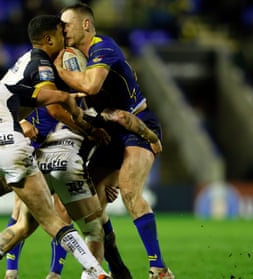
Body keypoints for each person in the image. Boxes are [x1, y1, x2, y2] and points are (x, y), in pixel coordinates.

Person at [0, 59, 111, 279]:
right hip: (14, 148)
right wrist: (78, 113)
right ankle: (96, 272)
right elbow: (59, 98)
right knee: (52, 220)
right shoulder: (5, 89)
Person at [53, 3, 174, 279]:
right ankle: (108, 268)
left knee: (130, 190)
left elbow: (92, 86)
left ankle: (159, 269)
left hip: (137, 123)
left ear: (85, 25)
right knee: (87, 202)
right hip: (109, 129)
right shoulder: (73, 56)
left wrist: (61, 73)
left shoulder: (103, 47)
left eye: (67, 25)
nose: (63, 31)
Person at [0, 15, 110, 279]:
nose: (66, 38)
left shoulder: (42, 65)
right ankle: (11, 272)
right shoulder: (44, 67)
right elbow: (55, 109)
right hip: (31, 138)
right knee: (23, 212)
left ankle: (52, 274)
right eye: (62, 33)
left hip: (46, 142)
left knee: (58, 212)